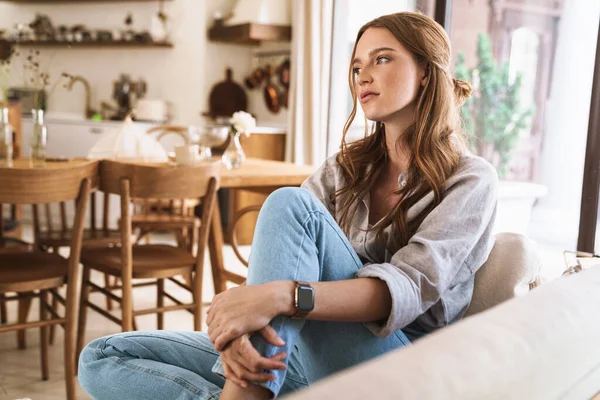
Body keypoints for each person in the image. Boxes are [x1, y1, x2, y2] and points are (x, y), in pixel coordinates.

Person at [78, 11, 498, 400]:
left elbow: (404, 290)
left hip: (400, 365)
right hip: (300, 352)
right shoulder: (345, 168)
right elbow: (284, 262)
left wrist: (282, 296)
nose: (362, 76)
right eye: (356, 67)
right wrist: (242, 327)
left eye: (381, 60)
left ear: (426, 72)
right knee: (102, 356)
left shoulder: (470, 180)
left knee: (289, 204)